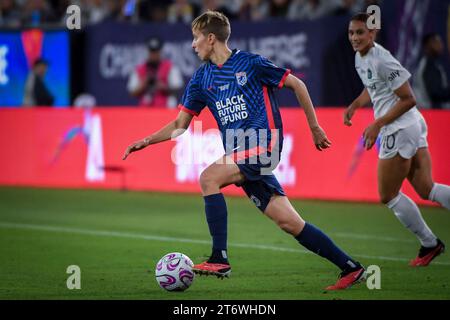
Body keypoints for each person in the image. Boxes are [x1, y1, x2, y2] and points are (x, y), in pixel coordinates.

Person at [123, 10, 366, 290]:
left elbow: (297, 84)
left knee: (208, 178)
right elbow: (180, 124)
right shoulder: (201, 79)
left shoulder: (250, 64)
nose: (193, 44)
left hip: (264, 144)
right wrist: (147, 140)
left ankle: (219, 258)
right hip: (243, 153)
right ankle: (350, 268)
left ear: (210, 38)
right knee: (289, 222)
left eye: (196, 38)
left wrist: (314, 127)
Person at [345, 13, 449, 267]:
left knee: (388, 194)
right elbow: (374, 87)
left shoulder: (383, 60)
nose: (355, 38)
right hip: (410, 125)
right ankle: (429, 244)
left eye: (360, 33)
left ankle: (429, 243)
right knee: (427, 188)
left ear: (373, 33)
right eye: (351, 33)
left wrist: (377, 124)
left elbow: (408, 98)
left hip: (399, 128)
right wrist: (357, 104)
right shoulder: (361, 58)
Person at [127, 37, 184, 108]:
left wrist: (163, 87)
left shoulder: (170, 67)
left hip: (166, 109)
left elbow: (178, 89)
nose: (153, 55)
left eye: (156, 52)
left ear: (160, 51)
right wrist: (144, 83)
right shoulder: (140, 69)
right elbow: (132, 92)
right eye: (151, 52)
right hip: (144, 109)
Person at [414, 33, 450, 109]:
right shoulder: (429, 65)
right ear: (427, 46)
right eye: (435, 42)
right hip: (430, 112)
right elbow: (435, 93)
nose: (440, 45)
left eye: (440, 42)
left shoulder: (431, 63)